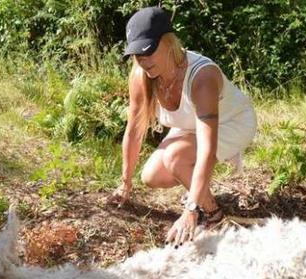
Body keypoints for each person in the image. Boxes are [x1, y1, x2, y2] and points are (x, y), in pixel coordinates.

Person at [110, 7, 257, 247]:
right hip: (190, 126)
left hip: (232, 123)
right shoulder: (140, 75)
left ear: (169, 43)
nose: (143, 61)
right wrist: (125, 183)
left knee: (176, 158)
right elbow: (134, 130)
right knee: (151, 176)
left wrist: (191, 209)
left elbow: (207, 151)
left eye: (148, 51)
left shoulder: (202, 77)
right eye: (137, 54)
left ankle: (213, 215)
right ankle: (196, 187)